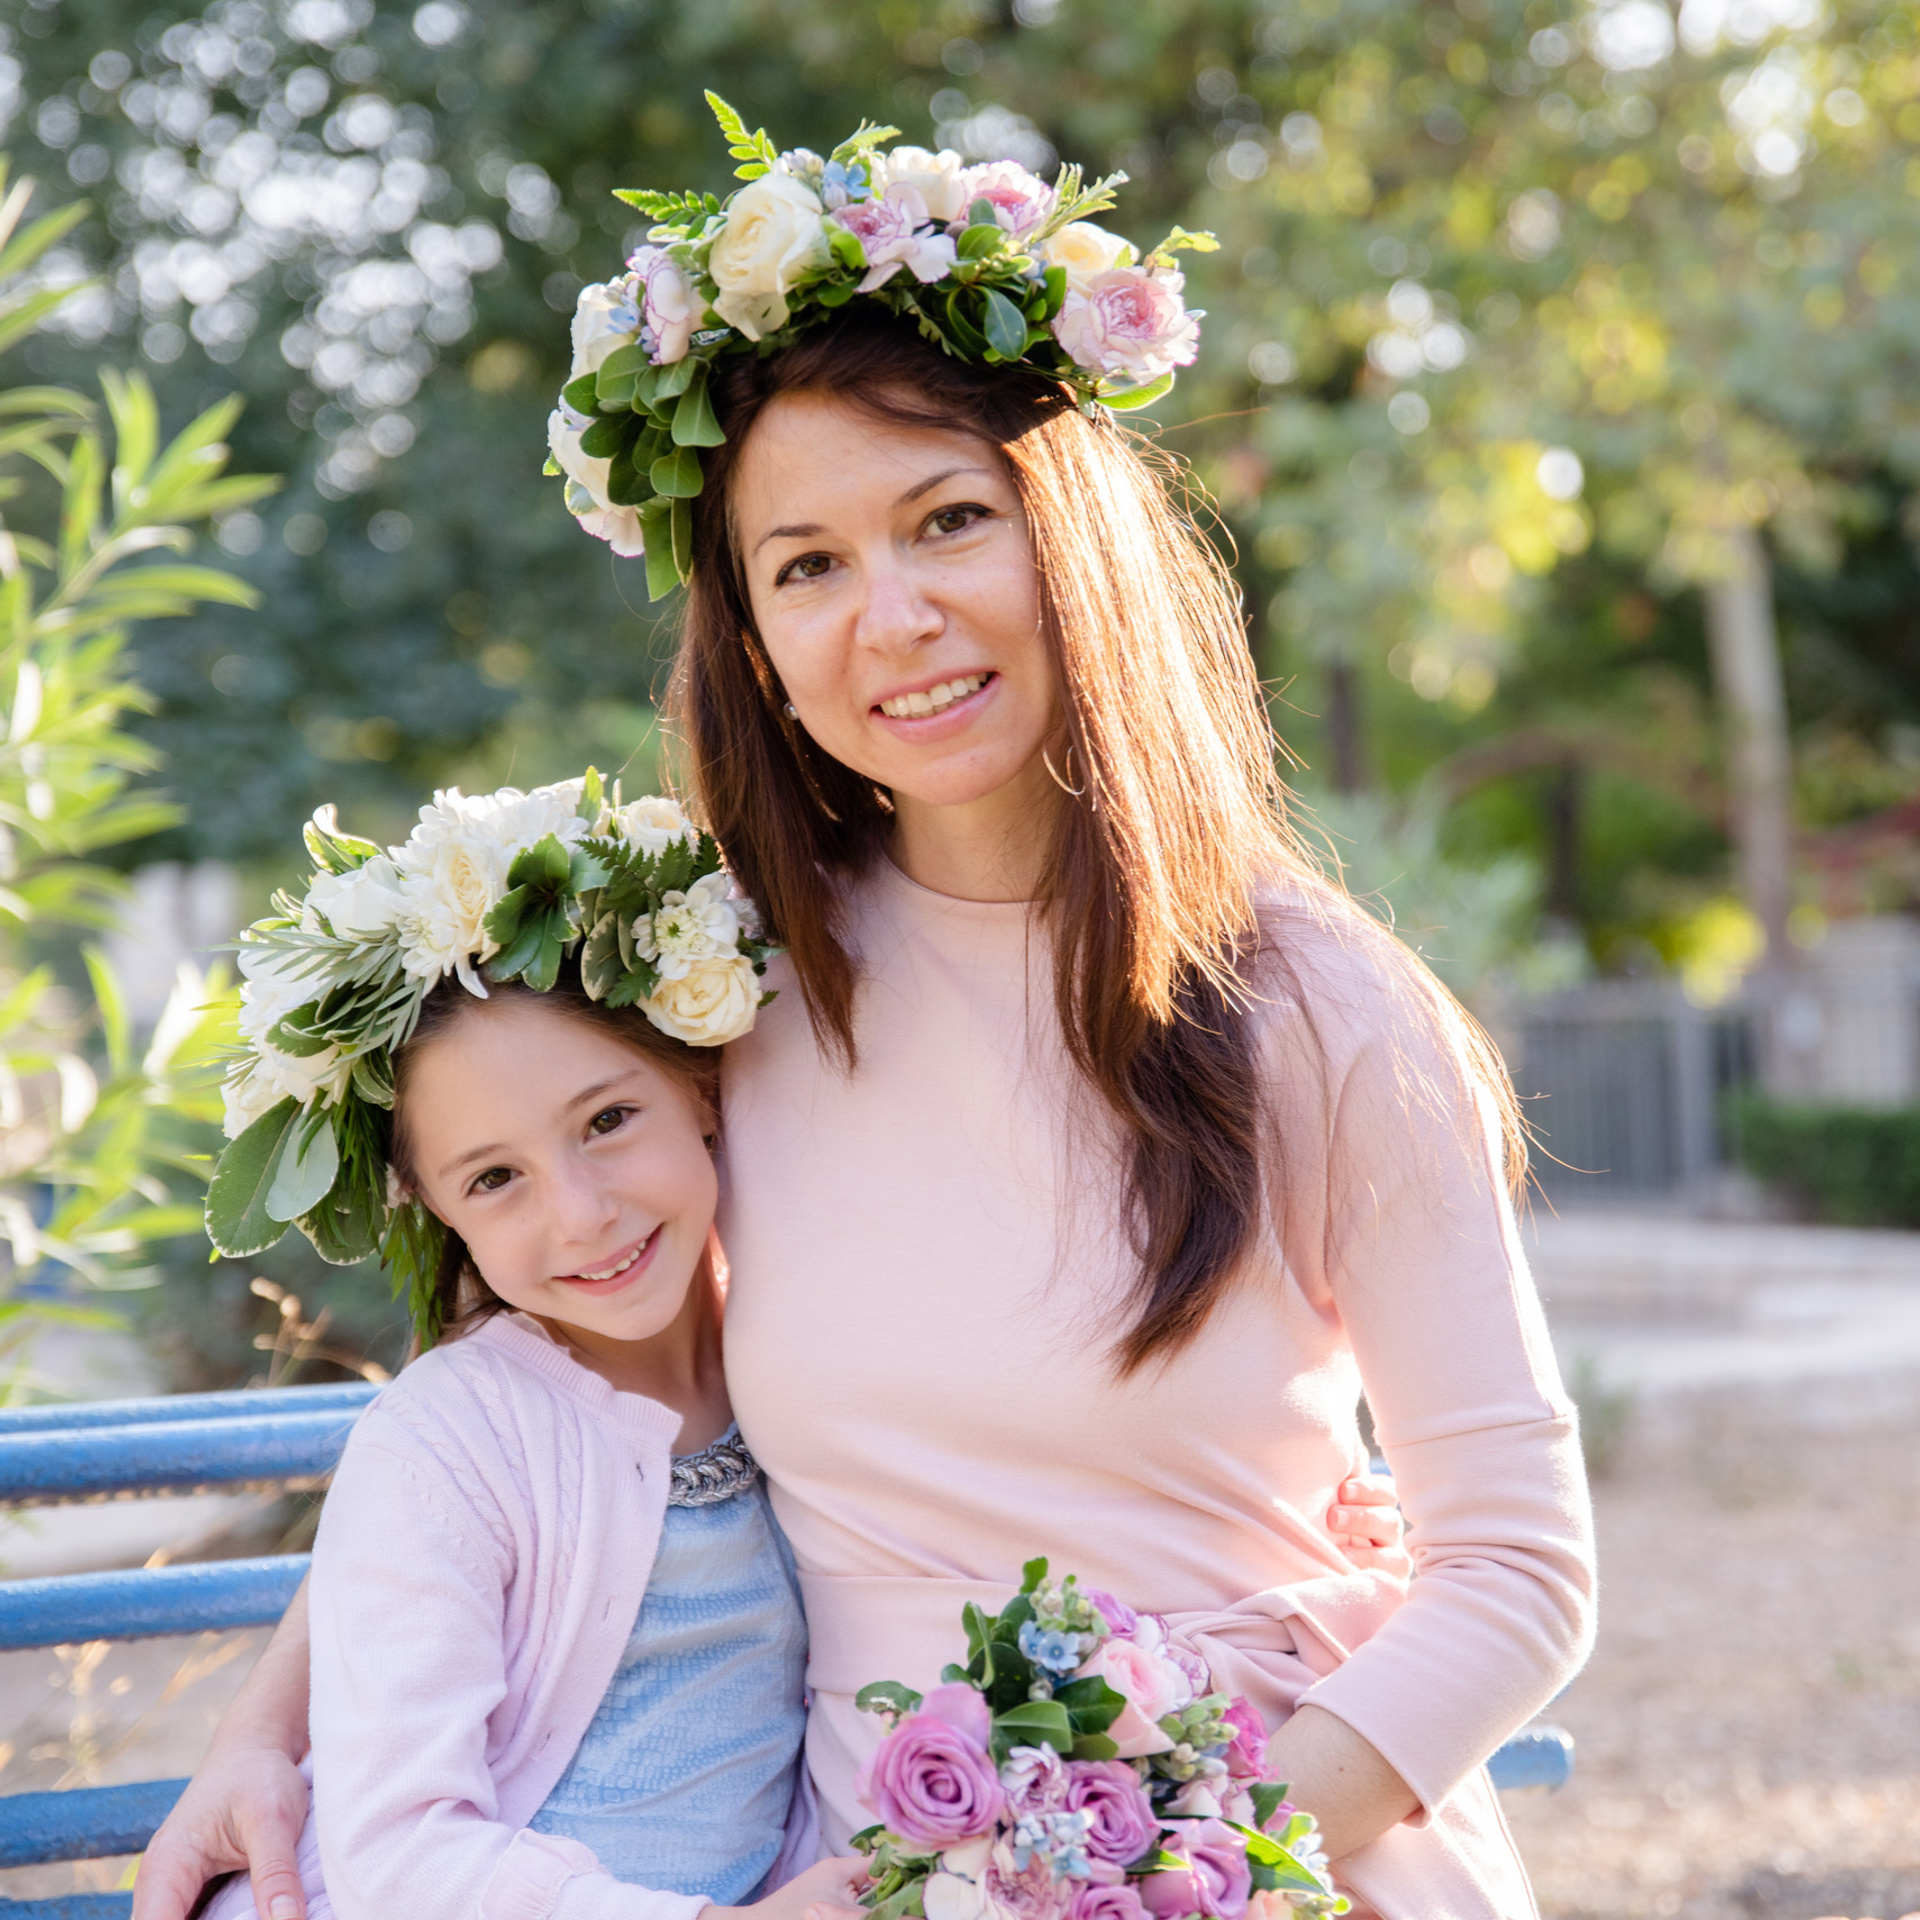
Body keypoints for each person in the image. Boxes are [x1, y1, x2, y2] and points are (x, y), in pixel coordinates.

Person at [138, 112, 1591, 1920]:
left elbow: (1519, 1576)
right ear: (748, 633)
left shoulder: (1315, 1006)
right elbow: (543, 1401)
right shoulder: (726, 979)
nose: (891, 617)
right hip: (879, 1874)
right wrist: (264, 1736)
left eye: (948, 521)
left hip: (1266, 1844)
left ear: (1069, 540)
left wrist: (1155, 1865)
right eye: (806, 564)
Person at [191, 790, 863, 1920]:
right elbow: (401, 1856)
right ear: (439, 1210)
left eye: (607, 1121)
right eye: (496, 1179)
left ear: (700, 1086)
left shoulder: (800, 1354)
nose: (583, 1215)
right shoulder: (449, 1441)